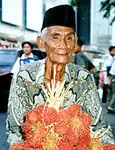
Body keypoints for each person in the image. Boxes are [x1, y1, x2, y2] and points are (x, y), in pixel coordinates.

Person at [6, 4, 115, 147]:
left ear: (75, 43)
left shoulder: (83, 77)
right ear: (41, 42)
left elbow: (101, 127)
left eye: (69, 38)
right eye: (55, 37)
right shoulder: (25, 77)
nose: (63, 45)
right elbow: (14, 130)